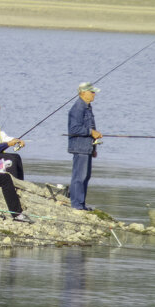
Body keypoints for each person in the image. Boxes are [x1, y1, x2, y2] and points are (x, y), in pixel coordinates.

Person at [67, 81, 103, 211]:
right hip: (79, 147)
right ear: (83, 93)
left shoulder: (87, 107)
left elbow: (91, 127)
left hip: (87, 147)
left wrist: (94, 148)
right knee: (79, 176)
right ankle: (76, 204)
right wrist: (91, 132)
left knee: (86, 176)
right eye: (91, 92)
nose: (94, 94)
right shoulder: (78, 108)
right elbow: (74, 128)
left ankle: (81, 203)